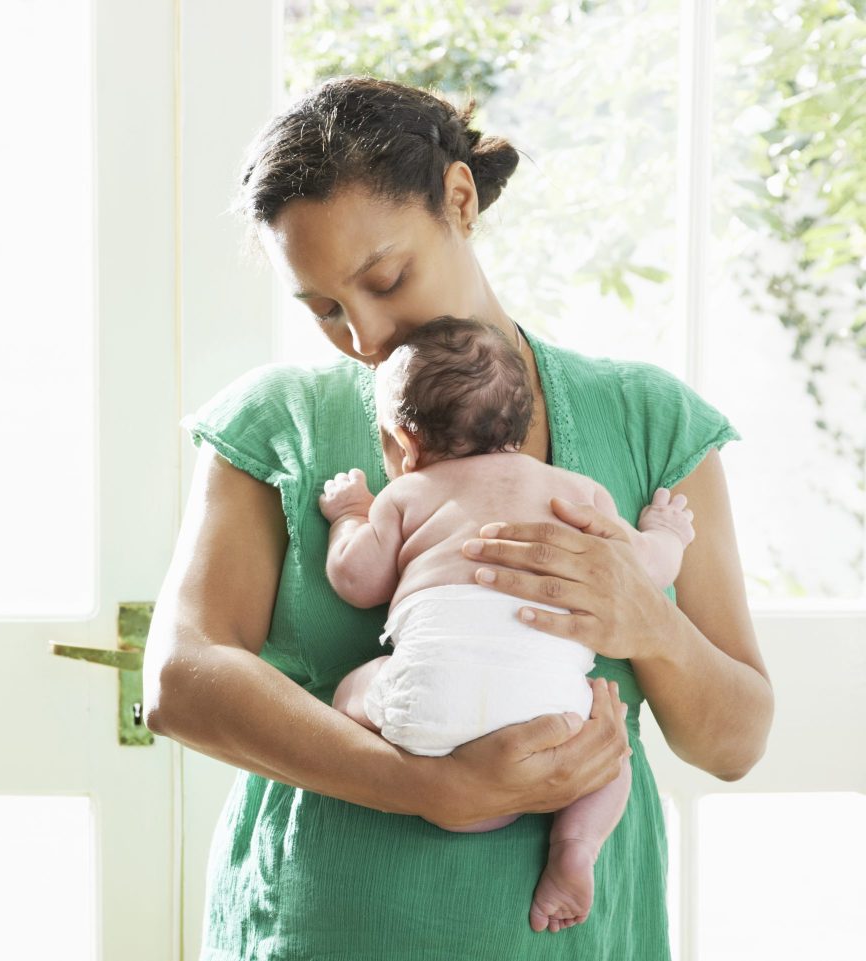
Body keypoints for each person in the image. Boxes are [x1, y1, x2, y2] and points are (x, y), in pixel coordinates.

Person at [142, 75, 773, 960]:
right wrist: (420, 785)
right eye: (323, 308)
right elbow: (179, 680)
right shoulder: (275, 420)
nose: (363, 337)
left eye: (385, 277)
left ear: (460, 199)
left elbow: (735, 741)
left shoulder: (649, 419)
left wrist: (648, 622)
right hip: (323, 931)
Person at [318, 315, 697, 933]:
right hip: (554, 718)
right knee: (613, 756)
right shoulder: (577, 491)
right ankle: (574, 849)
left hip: (427, 718)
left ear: (407, 442)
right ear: (522, 429)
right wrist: (667, 534)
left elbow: (356, 581)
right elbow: (648, 570)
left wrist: (349, 515)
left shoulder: (408, 496)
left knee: (353, 689)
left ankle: (399, 731)